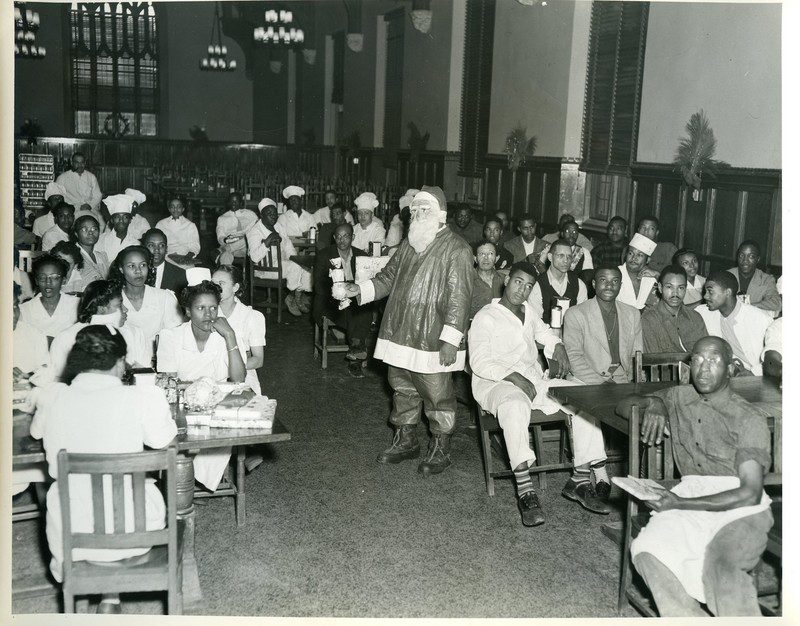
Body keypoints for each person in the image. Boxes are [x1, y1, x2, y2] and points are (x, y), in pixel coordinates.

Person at [617, 336, 774, 617]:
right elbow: (623, 405)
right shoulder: (679, 396)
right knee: (647, 551)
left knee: (721, 568)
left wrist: (677, 504)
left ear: (731, 368)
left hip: (740, 510)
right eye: (698, 360)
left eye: (714, 361)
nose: (703, 368)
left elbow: (749, 493)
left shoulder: (749, 417)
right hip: (689, 494)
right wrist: (655, 403)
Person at [31, 325, 177, 612]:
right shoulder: (141, 398)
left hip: (73, 536)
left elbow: (37, 433)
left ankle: (101, 596)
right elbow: (167, 441)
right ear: (121, 362)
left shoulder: (54, 397)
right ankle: (111, 596)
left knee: (69, 493)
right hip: (136, 533)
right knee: (127, 492)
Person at [344, 186, 474, 476]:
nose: (416, 214)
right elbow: (387, 278)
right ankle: (406, 439)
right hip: (400, 330)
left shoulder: (457, 249)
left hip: (433, 335)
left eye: (423, 210)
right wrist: (359, 289)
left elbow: (459, 298)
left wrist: (451, 340)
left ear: (440, 214)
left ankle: (441, 446)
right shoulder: (407, 245)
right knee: (401, 387)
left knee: (437, 392)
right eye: (414, 210)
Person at [470, 262, 612, 525]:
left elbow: (545, 332)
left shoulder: (528, 311)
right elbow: (479, 363)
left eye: (528, 286)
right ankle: (526, 491)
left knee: (581, 395)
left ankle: (580, 480)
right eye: (518, 282)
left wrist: (557, 345)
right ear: (506, 281)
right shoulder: (486, 316)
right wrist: (513, 376)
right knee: (514, 405)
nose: (522, 290)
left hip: (532, 380)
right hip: (495, 383)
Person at [157, 274, 246, 492]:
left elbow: (238, 379)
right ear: (187, 311)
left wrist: (231, 337)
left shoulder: (225, 334)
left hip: (217, 406)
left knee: (226, 429)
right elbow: (169, 384)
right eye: (201, 308)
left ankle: (184, 481)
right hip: (180, 406)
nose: (209, 315)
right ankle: (184, 481)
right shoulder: (171, 336)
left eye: (213, 308)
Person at [49, 280, 149, 380]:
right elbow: (57, 381)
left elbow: (146, 377)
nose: (126, 310)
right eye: (119, 305)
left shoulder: (135, 333)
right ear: (101, 309)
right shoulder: (67, 338)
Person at [563, 265, 643, 385]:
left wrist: (634, 381)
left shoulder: (632, 314)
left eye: (615, 281)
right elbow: (573, 356)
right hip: (586, 380)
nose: (609, 285)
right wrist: (600, 384)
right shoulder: (575, 314)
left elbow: (636, 355)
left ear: (620, 286)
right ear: (594, 284)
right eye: (603, 280)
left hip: (622, 378)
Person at [313, 223, 373, 378]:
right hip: (329, 302)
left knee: (363, 307)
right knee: (352, 308)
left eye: (346, 236)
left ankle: (355, 350)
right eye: (338, 237)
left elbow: (366, 284)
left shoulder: (362, 256)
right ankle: (357, 352)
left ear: (352, 237)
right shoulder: (324, 255)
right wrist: (338, 293)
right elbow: (319, 286)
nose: (342, 240)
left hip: (354, 301)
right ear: (334, 238)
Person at [109, 245, 183, 363]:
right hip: (122, 363)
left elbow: (176, 338)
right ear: (121, 269)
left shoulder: (164, 297)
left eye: (143, 265)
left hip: (160, 362)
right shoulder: (112, 301)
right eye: (131, 266)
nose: (138, 271)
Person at [695, 270, 772, 376]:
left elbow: (777, 354)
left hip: (759, 376)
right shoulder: (705, 312)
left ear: (728, 292)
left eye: (710, 291)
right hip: (729, 373)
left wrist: (753, 373)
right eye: (705, 292)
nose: (705, 296)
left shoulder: (759, 319)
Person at [211, 264, 266, 394]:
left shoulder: (252, 316)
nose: (215, 287)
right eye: (213, 283)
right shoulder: (205, 312)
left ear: (235, 287)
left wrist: (227, 366)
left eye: (221, 283)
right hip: (209, 371)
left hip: (243, 375)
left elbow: (258, 360)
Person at [641, 264, 708, 354]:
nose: (675, 293)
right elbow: (653, 361)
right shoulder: (649, 319)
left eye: (680, 288)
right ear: (660, 288)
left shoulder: (695, 317)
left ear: (685, 289)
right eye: (669, 287)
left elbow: (706, 352)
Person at [274, 185, 317, 315]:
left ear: (300, 201)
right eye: (291, 200)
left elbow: (314, 233)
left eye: (296, 200)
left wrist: (307, 236)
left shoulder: (309, 216)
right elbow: (282, 237)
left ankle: (296, 297)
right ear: (288, 202)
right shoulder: (283, 217)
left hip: (307, 249)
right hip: (288, 251)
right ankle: (294, 298)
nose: (294, 203)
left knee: (311, 265)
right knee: (298, 264)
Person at [19, 253, 80, 339]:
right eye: (42, 277)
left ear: (63, 280)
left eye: (55, 277)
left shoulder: (77, 305)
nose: (48, 282)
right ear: (36, 280)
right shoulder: (25, 309)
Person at [528, 239, 587, 325]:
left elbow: (582, 319)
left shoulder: (579, 284)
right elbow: (535, 323)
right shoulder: (538, 284)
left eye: (569, 256)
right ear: (550, 257)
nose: (566, 260)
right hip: (544, 335)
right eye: (561, 256)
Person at [726, 240, 781, 315]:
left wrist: (748, 307)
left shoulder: (766, 280)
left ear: (757, 259)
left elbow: (776, 303)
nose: (745, 260)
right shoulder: (727, 275)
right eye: (741, 256)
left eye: (751, 256)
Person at [55, 153, 105, 228]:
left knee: (101, 224)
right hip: (72, 209)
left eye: (82, 163)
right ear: (72, 163)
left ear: (85, 163)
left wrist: (90, 205)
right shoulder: (63, 178)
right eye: (77, 163)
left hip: (90, 208)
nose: (80, 165)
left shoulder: (91, 177)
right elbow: (57, 196)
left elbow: (98, 195)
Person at [13, 283, 49, 379]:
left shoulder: (34, 334)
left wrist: (28, 376)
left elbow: (46, 372)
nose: (13, 315)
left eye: (15, 306)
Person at [155, 194, 201, 266]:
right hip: (166, 258)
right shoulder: (161, 224)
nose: (175, 209)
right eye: (172, 207)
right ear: (169, 209)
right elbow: (156, 243)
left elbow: (195, 245)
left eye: (178, 207)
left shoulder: (190, 225)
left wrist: (188, 257)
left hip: (185, 258)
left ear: (183, 209)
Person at [617, 233, 660, 310]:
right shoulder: (615, 273)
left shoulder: (652, 279)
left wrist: (657, 275)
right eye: (630, 253)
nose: (634, 258)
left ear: (648, 260)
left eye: (639, 255)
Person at [216, 191, 259, 264]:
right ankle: (226, 273)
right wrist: (225, 240)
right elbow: (220, 236)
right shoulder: (222, 218)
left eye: (236, 201)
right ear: (228, 202)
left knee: (248, 236)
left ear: (241, 203)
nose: (233, 203)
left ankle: (226, 249)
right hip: (231, 245)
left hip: (248, 247)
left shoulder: (250, 214)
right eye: (232, 201)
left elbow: (257, 229)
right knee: (226, 255)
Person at [142, 228, 188, 295]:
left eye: (161, 245)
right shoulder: (136, 272)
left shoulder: (180, 275)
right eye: (151, 245)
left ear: (166, 249)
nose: (156, 249)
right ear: (143, 248)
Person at [96, 194, 141, 263]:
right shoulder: (101, 240)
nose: (121, 220)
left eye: (125, 217)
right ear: (112, 220)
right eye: (117, 217)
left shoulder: (136, 244)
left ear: (130, 220)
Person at [470, 241, 505, 318]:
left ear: (496, 258)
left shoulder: (505, 281)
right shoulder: (467, 281)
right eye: (481, 254)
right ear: (475, 258)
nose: (486, 258)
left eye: (490, 254)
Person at [73, 214, 109, 284]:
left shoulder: (102, 256)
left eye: (94, 229)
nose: (90, 232)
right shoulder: (72, 256)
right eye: (84, 229)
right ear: (76, 234)